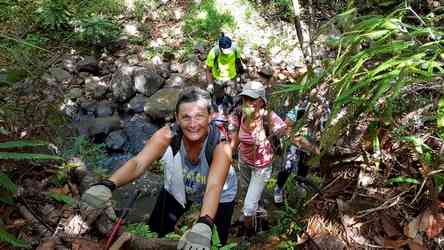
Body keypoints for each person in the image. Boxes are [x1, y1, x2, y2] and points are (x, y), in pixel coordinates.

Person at [80, 87, 238, 249]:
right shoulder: (167, 135)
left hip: (220, 195)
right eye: (186, 117)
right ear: (177, 118)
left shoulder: (220, 146)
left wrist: (204, 223)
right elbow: (139, 163)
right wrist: (107, 185)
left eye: (199, 117)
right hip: (180, 184)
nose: (193, 124)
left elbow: (214, 187)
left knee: (214, 242)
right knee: (156, 229)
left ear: (210, 116)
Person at [228, 80, 286, 236]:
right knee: (248, 193)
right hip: (244, 160)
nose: (248, 102)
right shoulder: (241, 113)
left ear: (262, 101)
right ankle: (258, 214)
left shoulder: (269, 118)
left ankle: (250, 234)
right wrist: (229, 154)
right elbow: (237, 137)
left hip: (262, 166)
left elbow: (287, 133)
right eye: (245, 98)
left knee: (247, 206)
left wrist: (311, 147)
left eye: (252, 99)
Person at [273, 98, 320, 204]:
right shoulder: (303, 106)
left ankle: (299, 185)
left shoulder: (327, 111)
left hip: (310, 144)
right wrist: (295, 139)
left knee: (304, 167)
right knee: (287, 167)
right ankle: (279, 189)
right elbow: (287, 125)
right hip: (295, 142)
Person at [206, 33, 243, 113]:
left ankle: (231, 107)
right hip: (218, 78)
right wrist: (210, 84)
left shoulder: (235, 49)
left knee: (231, 94)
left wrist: (240, 69)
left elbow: (238, 61)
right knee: (219, 96)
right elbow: (208, 70)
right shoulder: (213, 52)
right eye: (224, 51)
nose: (227, 53)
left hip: (231, 77)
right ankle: (220, 106)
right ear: (220, 47)